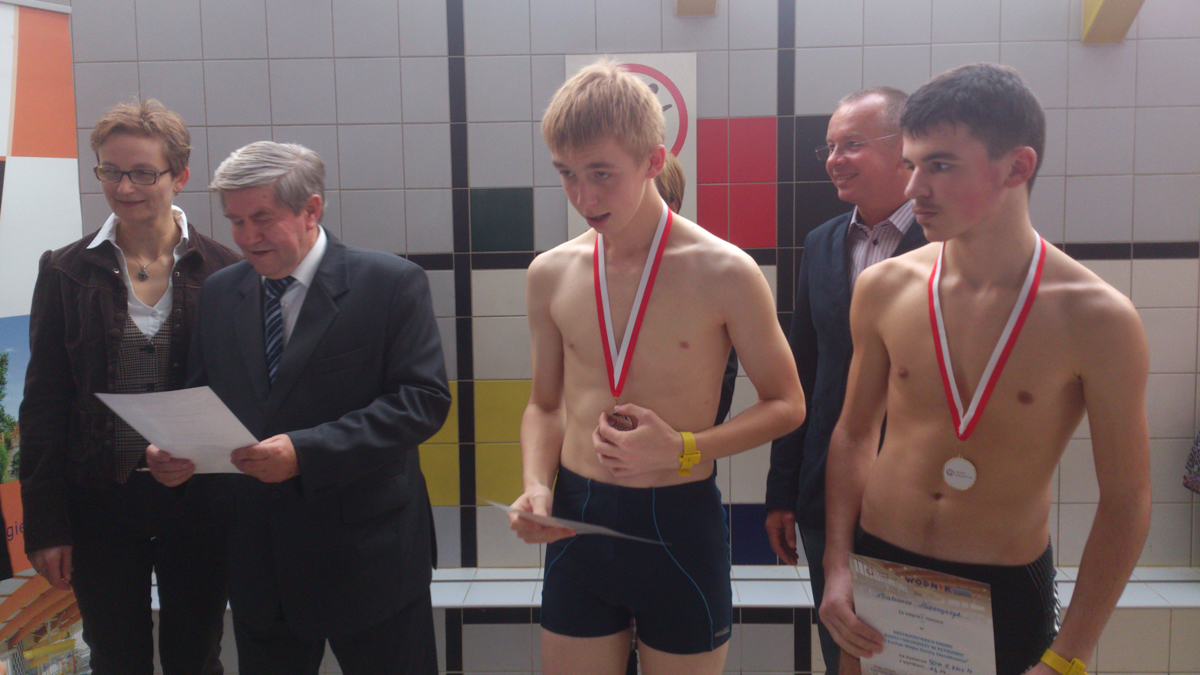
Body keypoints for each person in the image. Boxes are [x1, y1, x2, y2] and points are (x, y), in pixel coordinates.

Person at [820, 64, 1151, 675]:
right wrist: (837, 566)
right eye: (911, 164)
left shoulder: (1097, 319)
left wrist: (1070, 654)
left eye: (940, 165)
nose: (915, 187)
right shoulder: (885, 288)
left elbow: (1126, 501)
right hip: (883, 565)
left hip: (1003, 582)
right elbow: (854, 433)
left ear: (1017, 167)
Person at [508, 60, 806, 675]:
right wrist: (536, 484)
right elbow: (544, 404)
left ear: (652, 160)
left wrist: (685, 449)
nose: (584, 197)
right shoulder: (550, 274)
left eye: (602, 174)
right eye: (567, 174)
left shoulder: (724, 271)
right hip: (577, 517)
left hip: (678, 522)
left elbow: (787, 404)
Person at [146, 141, 451, 675]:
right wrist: (176, 454)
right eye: (236, 221)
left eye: (262, 219)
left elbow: (421, 402)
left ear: (311, 209)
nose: (247, 237)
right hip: (260, 564)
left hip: (369, 559)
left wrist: (305, 452)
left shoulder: (389, 284)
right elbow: (203, 398)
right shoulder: (220, 293)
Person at [19, 99, 240, 674]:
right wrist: (46, 524)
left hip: (200, 502)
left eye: (143, 172)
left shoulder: (227, 271)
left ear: (179, 176)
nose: (124, 187)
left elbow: (247, 394)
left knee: (196, 658)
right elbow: (43, 403)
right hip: (98, 501)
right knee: (116, 659)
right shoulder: (64, 270)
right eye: (110, 171)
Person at [764, 86, 925, 674]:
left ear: (905, 147)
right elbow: (802, 371)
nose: (835, 159)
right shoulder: (822, 243)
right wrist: (783, 490)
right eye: (829, 147)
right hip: (826, 490)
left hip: (920, 489)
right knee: (843, 653)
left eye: (851, 144)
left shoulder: (950, 243)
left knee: (917, 655)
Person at [653, 151, 738, 426]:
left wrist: (684, 443)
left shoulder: (712, 274)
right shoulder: (589, 272)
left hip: (687, 442)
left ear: (673, 205)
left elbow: (723, 378)